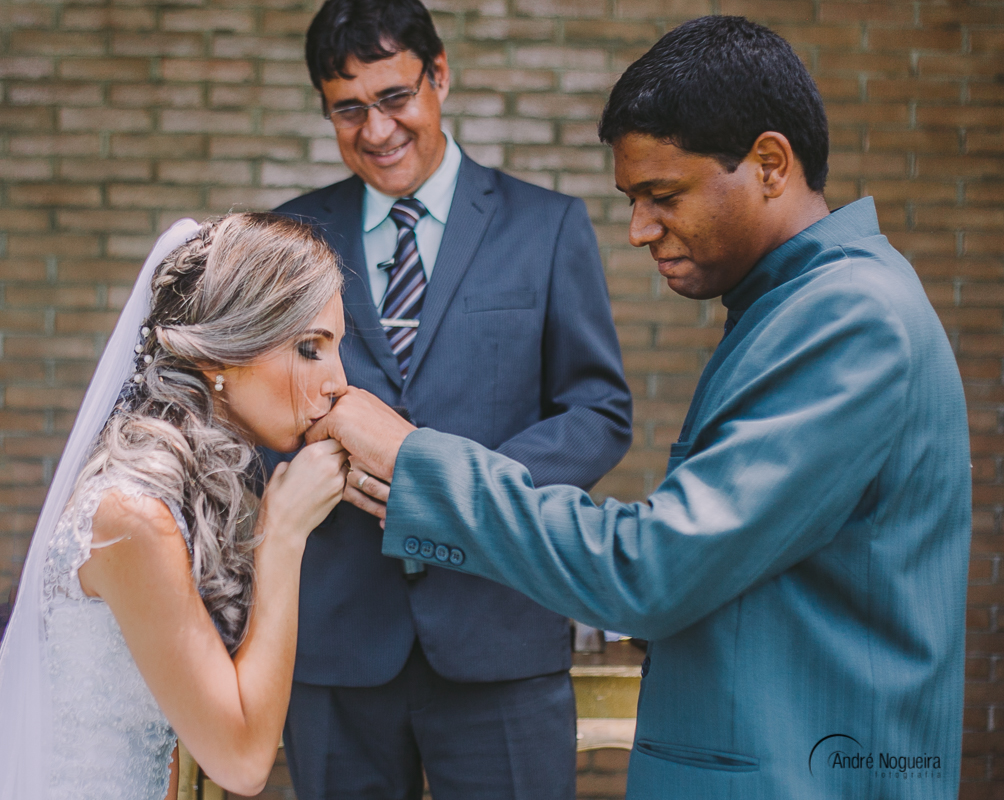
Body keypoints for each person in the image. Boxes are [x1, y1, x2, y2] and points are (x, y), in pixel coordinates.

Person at [316, 16, 971, 799]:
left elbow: (652, 568)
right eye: (632, 199)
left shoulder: (850, 319)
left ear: (769, 163)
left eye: (662, 195)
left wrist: (415, 461)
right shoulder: (794, 304)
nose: (637, 230)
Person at [269, 1, 632, 798]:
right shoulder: (287, 240)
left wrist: (452, 483)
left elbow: (598, 412)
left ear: (439, 76)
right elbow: (255, 416)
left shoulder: (548, 227)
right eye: (348, 108)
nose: (376, 130)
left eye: (395, 97)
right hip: (334, 642)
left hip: (499, 626)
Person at [0, 213, 351, 800]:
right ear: (221, 354)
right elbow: (241, 763)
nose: (339, 380)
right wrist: (284, 534)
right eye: (310, 348)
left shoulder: (171, 494)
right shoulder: (132, 517)